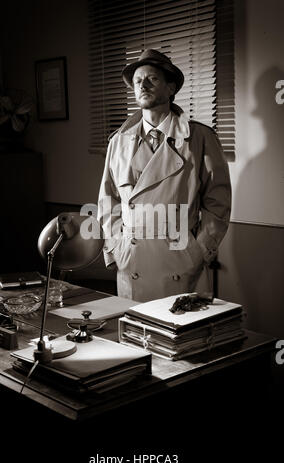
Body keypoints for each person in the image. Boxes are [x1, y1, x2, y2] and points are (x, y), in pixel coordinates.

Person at [97, 49, 231, 302]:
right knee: (135, 335)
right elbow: (108, 199)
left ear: (171, 88)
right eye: (138, 81)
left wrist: (198, 251)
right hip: (132, 263)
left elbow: (219, 202)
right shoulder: (118, 141)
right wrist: (116, 248)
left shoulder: (199, 137)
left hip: (180, 263)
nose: (143, 85)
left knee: (182, 336)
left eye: (152, 79)